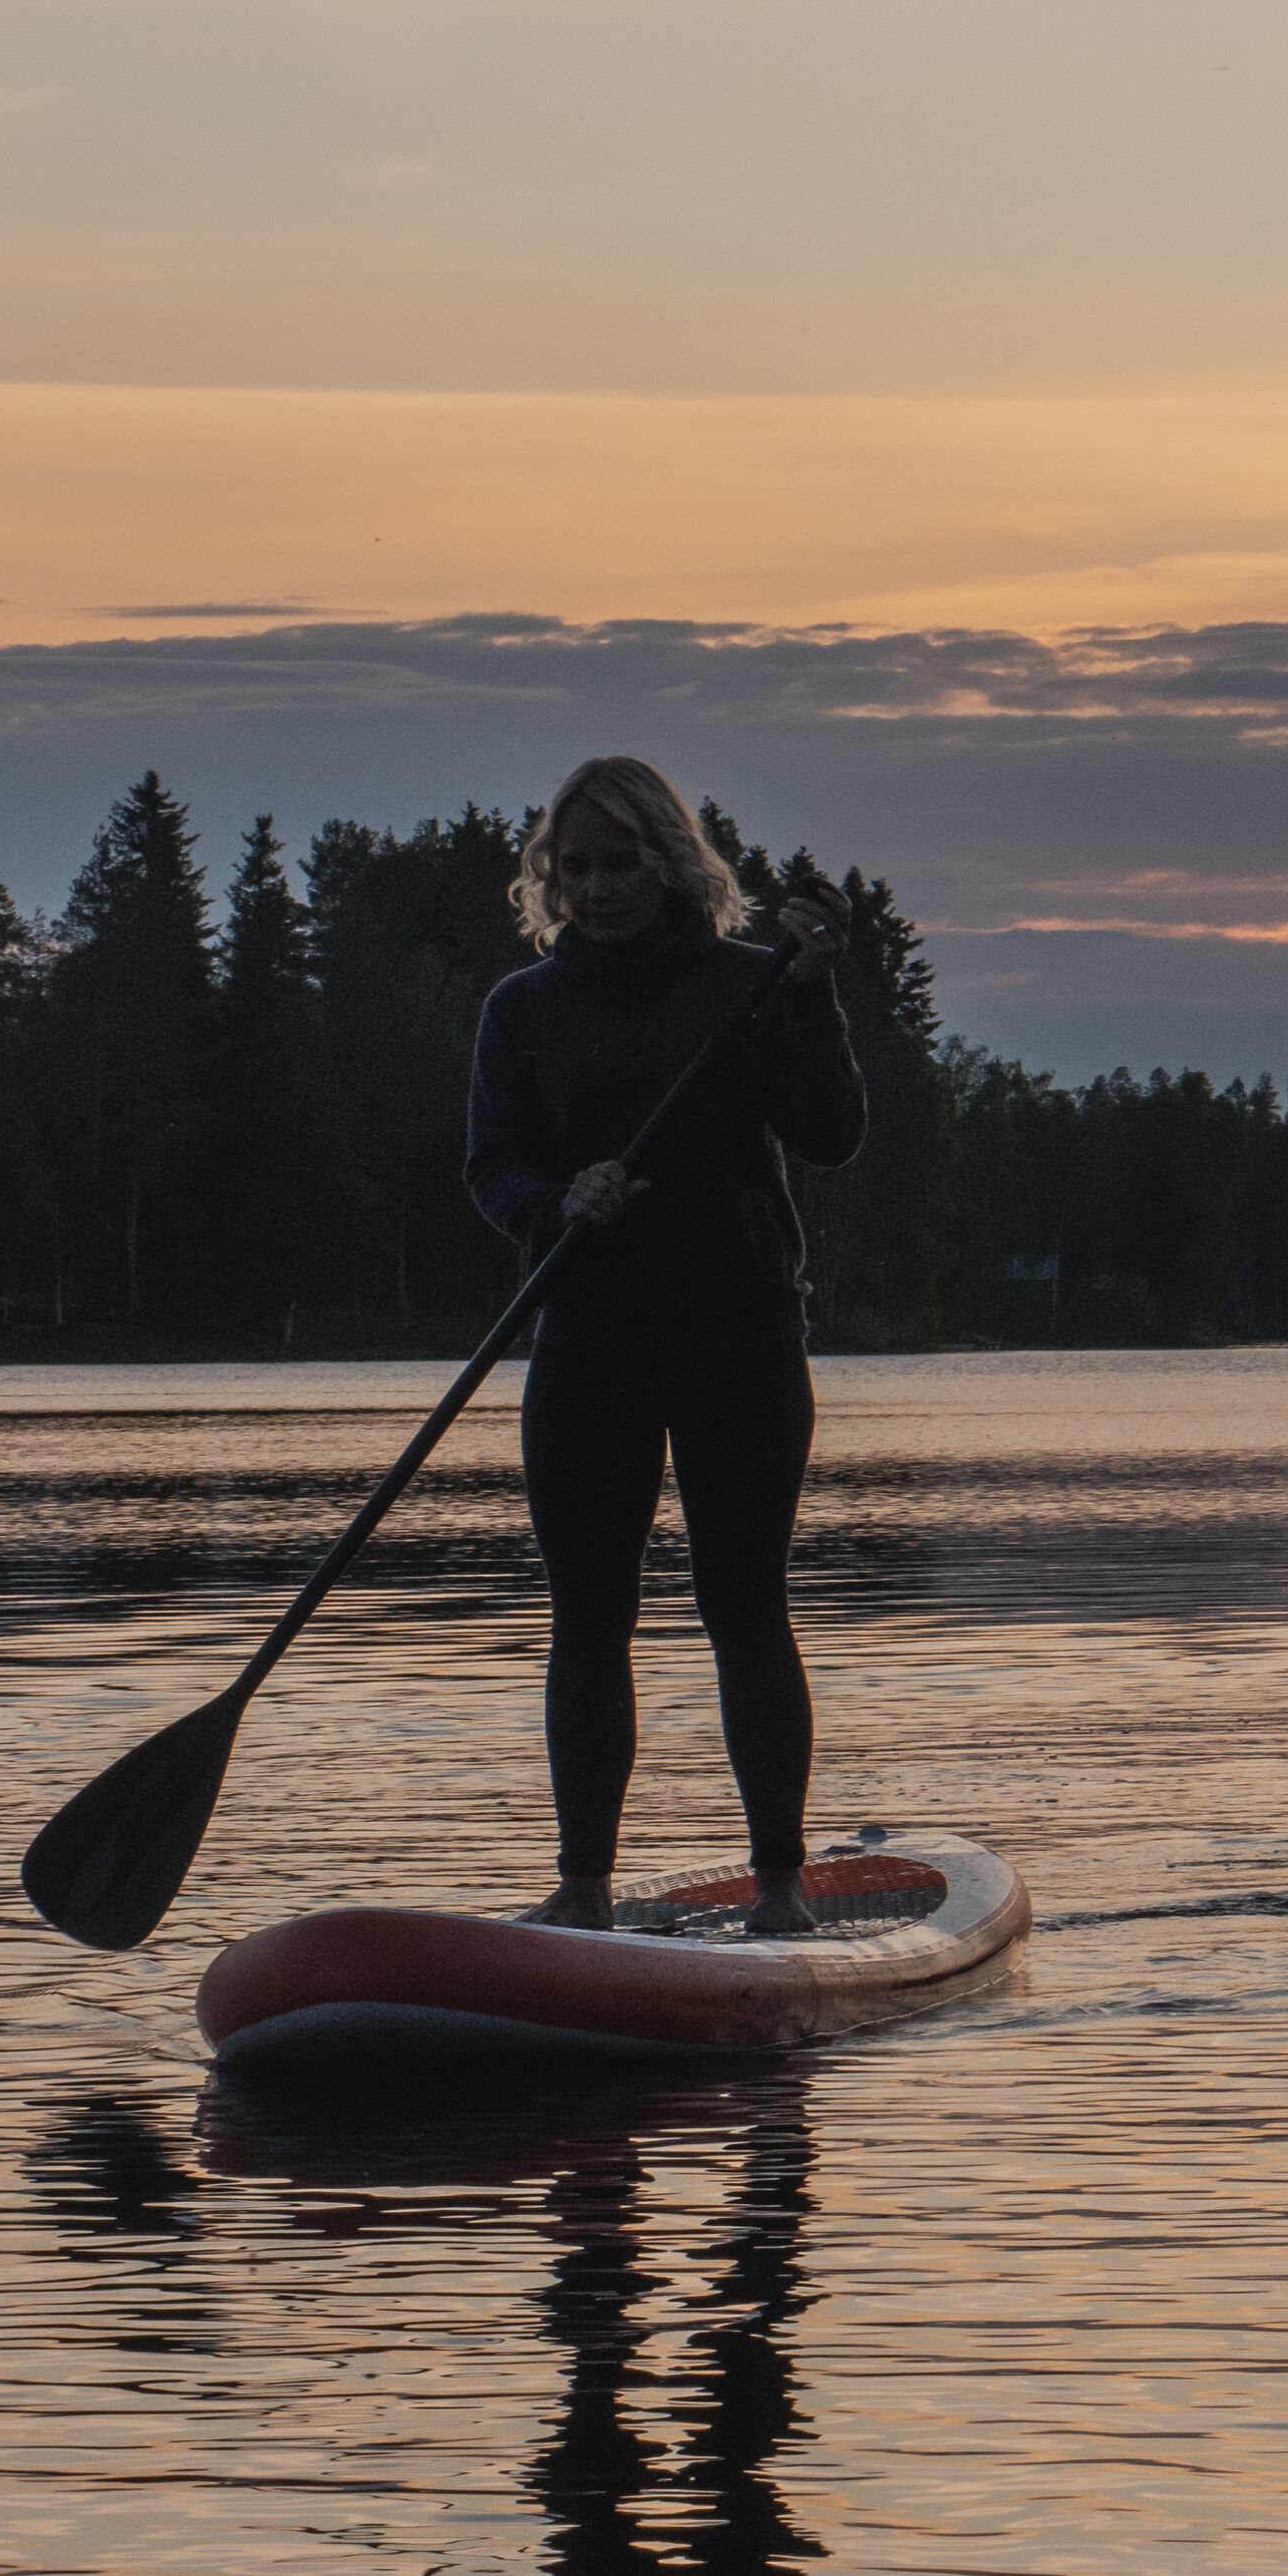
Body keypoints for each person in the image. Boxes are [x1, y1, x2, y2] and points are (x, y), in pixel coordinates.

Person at [466, 756, 865, 1934]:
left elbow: (831, 1134)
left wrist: (810, 994)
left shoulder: (752, 989)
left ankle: (782, 1888)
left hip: (739, 1344)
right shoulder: (521, 1012)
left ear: (673, 861)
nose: (598, 888)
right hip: (587, 1349)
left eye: (622, 862)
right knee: (589, 1618)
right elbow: (493, 1168)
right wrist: (555, 1203)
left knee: (746, 1607)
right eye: (575, 867)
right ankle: (582, 1888)